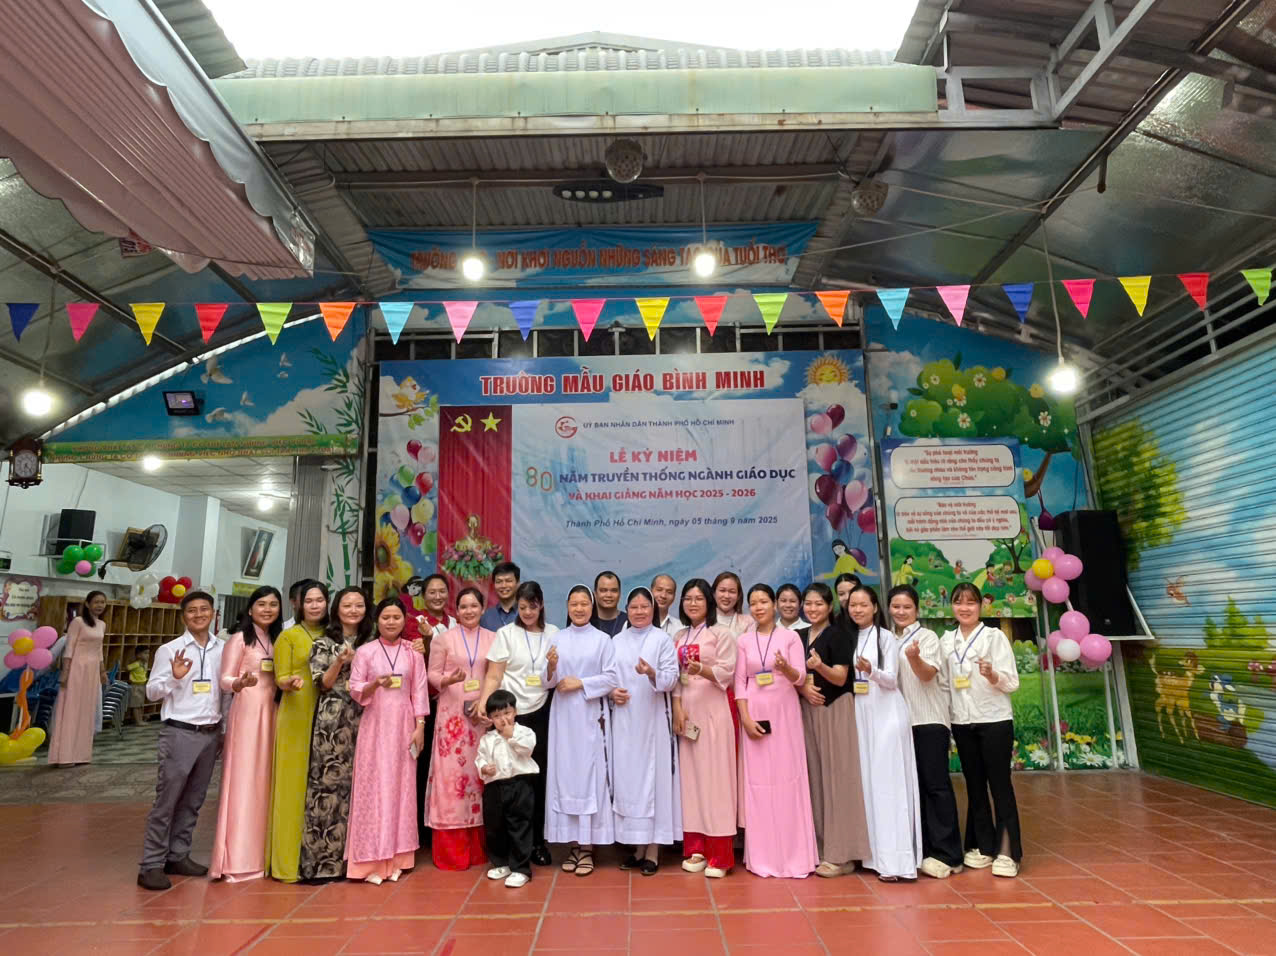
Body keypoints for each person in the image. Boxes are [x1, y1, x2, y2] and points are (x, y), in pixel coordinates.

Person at [137, 591, 223, 890]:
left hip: (210, 733)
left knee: (194, 800)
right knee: (167, 800)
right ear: (183, 616)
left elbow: (224, 692)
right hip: (179, 732)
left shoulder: (222, 649)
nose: (198, 615)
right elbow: (152, 692)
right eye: (192, 611)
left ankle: (178, 855)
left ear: (213, 613)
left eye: (204, 609)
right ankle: (151, 864)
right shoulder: (170, 650)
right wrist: (174, 677)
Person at [734, 584, 818, 879]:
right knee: (758, 783)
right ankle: (764, 857)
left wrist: (785, 668)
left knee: (788, 779)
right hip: (755, 713)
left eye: (763, 602)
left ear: (773, 605)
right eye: (753, 603)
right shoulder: (744, 640)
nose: (758, 607)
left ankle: (794, 856)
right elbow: (740, 682)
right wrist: (745, 718)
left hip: (785, 714)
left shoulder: (790, 637)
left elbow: (801, 678)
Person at [940, 582, 1022, 878]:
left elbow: (1012, 683)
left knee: (1000, 786)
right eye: (958, 602)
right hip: (962, 722)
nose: (964, 608)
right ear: (951, 606)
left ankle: (1009, 852)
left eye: (971, 602)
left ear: (981, 606)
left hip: (994, 720)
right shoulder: (946, 641)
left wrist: (992, 674)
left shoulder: (993, 637)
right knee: (974, 786)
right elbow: (945, 685)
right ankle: (984, 847)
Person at [346, 597, 429, 884]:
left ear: (405, 620)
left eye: (396, 617)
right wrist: (374, 685)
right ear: (376, 620)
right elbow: (355, 688)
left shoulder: (412, 652)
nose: (391, 622)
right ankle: (370, 861)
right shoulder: (365, 652)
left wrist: (420, 726)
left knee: (401, 789)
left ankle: (397, 858)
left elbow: (419, 691)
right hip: (375, 726)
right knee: (374, 788)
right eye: (385, 617)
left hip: (405, 727)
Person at [477, 580, 558, 867]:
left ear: (541, 605)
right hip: (511, 715)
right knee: (510, 780)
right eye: (522, 607)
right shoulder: (506, 634)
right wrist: (485, 702)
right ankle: (509, 847)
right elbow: (494, 675)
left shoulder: (553, 633)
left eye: (532, 607)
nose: (527, 612)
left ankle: (537, 843)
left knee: (537, 778)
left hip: (542, 712)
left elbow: (556, 673)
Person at [545, 585, 621, 877]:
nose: (579, 609)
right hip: (563, 717)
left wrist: (581, 683)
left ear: (592, 607)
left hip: (590, 716)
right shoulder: (557, 638)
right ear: (567, 607)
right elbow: (547, 682)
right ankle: (573, 844)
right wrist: (551, 668)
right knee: (565, 775)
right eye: (574, 604)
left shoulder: (603, 640)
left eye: (584, 604)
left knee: (590, 777)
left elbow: (612, 677)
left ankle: (588, 846)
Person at [848, 585, 921, 881]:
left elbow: (892, 679)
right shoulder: (848, 637)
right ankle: (875, 858)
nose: (857, 610)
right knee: (869, 784)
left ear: (875, 608)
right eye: (853, 605)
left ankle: (898, 861)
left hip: (887, 713)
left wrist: (871, 671)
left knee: (890, 785)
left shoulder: (886, 637)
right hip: (862, 713)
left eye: (863, 605)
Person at [889, 584, 963, 880]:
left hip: (929, 721)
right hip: (901, 724)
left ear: (917, 610)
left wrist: (914, 658)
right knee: (914, 788)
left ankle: (949, 854)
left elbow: (927, 674)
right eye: (896, 606)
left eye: (907, 607)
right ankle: (925, 849)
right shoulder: (889, 638)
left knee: (936, 786)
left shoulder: (927, 637)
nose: (901, 612)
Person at [210, 586, 282, 882]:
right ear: (250, 609)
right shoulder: (239, 639)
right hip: (248, 714)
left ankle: (264, 854)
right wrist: (239, 683)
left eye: (273, 604)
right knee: (243, 780)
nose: (267, 609)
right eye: (261, 604)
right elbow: (224, 679)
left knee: (266, 780)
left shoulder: (277, 639)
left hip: (273, 713)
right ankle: (238, 858)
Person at [798, 583, 870, 878]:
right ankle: (820, 847)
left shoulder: (839, 634)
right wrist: (803, 688)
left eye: (819, 604)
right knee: (815, 780)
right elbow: (793, 675)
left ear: (830, 607)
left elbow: (841, 678)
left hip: (835, 709)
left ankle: (843, 854)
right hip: (807, 711)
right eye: (808, 603)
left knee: (838, 779)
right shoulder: (798, 636)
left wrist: (819, 667)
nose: (812, 609)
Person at [299, 586, 370, 882]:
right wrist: (340, 661)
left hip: (367, 718)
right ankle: (321, 865)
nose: (353, 610)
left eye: (359, 605)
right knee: (326, 789)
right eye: (347, 605)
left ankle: (357, 861)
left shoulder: (372, 641)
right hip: (333, 722)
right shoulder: (324, 643)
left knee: (360, 790)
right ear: (337, 608)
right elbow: (323, 684)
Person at [610, 587, 680, 874]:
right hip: (624, 721)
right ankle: (636, 847)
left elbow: (672, 679)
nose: (639, 611)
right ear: (627, 609)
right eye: (634, 607)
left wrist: (652, 673)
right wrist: (612, 692)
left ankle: (653, 850)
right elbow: (608, 676)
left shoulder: (662, 639)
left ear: (653, 609)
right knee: (628, 782)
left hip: (653, 722)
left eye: (645, 606)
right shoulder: (616, 641)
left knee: (654, 782)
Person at [670, 578, 737, 878]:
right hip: (688, 715)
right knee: (691, 781)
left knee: (716, 781)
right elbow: (677, 676)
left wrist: (702, 670)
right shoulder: (679, 635)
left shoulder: (721, 634)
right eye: (688, 598)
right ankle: (696, 847)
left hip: (714, 713)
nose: (693, 603)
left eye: (699, 598)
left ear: (709, 602)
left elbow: (727, 672)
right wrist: (677, 707)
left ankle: (720, 854)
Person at [426, 587, 495, 870]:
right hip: (452, 719)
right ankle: (452, 849)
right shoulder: (443, 639)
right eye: (463, 607)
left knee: (480, 775)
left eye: (474, 606)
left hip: (481, 716)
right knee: (450, 779)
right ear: (456, 610)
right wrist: (447, 680)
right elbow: (431, 674)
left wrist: (487, 704)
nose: (469, 611)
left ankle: (479, 847)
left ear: (482, 608)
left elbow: (496, 675)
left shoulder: (493, 638)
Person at [269, 580, 327, 882]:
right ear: (299, 604)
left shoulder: (333, 634)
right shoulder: (288, 636)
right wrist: (288, 682)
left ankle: (320, 859)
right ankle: (288, 863)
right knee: (292, 787)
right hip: (297, 713)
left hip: (329, 718)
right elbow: (280, 677)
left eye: (320, 600)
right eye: (309, 601)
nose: (315, 606)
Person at [405, 572, 455, 846]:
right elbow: (414, 662)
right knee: (421, 764)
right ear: (423, 596)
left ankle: (442, 823)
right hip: (422, 704)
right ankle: (418, 829)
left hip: (450, 703)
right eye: (432, 592)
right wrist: (425, 640)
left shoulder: (455, 623)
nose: (437, 596)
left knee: (445, 764)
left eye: (441, 591)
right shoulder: (413, 623)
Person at [477, 688, 538, 888]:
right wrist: (484, 768)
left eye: (507, 713)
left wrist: (511, 736)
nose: (503, 719)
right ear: (490, 719)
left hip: (520, 784)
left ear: (515, 712)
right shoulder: (487, 739)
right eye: (497, 716)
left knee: (519, 826)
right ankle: (501, 863)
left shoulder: (524, 732)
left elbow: (527, 749)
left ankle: (521, 868)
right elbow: (480, 758)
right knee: (495, 827)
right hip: (494, 787)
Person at [48, 590, 108, 767]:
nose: (99, 605)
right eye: (96, 602)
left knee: (87, 711)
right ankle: (64, 756)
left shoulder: (102, 624)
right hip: (76, 668)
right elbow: (69, 648)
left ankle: (81, 755)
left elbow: (99, 650)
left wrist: (102, 672)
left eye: (102, 602)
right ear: (87, 604)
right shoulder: (78, 622)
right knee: (71, 710)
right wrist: (65, 671)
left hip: (92, 670)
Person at [480, 561, 521, 632]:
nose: (503, 585)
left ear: (518, 583)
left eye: (508, 581)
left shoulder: (527, 613)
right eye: (499, 581)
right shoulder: (486, 617)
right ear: (494, 585)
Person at [590, 571, 627, 637]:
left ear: (619, 593)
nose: (609, 595)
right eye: (603, 590)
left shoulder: (630, 622)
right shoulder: (587, 622)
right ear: (595, 593)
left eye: (614, 590)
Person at [711, 572, 749, 637]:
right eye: (722, 590)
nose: (727, 596)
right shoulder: (702, 621)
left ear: (738, 596)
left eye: (732, 592)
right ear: (714, 593)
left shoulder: (748, 623)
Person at [126, 649, 149, 726]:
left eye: (148, 653)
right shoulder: (136, 664)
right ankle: (138, 721)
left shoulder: (145, 664)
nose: (147, 655)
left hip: (142, 685)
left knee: (140, 704)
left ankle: (140, 719)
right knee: (136, 704)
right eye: (145, 653)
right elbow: (127, 668)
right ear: (138, 655)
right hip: (135, 686)